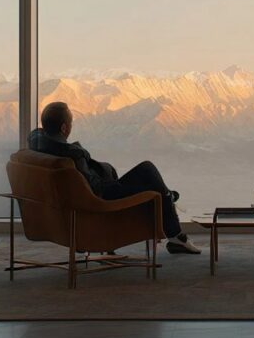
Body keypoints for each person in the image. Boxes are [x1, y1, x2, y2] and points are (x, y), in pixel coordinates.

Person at [28, 101, 201, 254]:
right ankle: (175, 228)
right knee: (147, 170)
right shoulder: (71, 155)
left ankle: (167, 198)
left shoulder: (39, 147)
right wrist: (106, 176)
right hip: (101, 199)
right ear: (64, 128)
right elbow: (93, 188)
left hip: (82, 204)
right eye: (71, 123)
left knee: (155, 187)